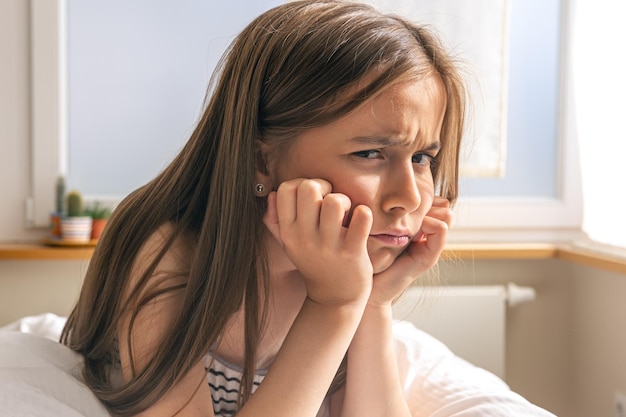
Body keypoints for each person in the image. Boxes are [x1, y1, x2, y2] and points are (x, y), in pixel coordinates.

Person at [61, 1, 554, 416]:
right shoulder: (168, 256)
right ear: (261, 159)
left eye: (423, 157)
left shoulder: (339, 270)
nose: (409, 195)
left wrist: (371, 302)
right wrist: (334, 305)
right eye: (370, 153)